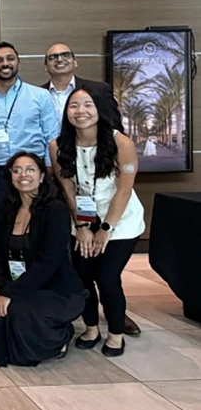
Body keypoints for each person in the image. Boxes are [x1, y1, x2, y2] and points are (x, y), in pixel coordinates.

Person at [51, 89, 146, 357]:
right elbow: (68, 188)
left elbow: (124, 190)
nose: (80, 111)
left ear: (99, 109)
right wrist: (82, 226)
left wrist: (106, 229)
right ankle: (91, 328)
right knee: (82, 275)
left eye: (88, 105)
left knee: (106, 276)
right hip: (83, 219)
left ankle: (116, 333)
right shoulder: (57, 146)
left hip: (120, 220)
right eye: (73, 106)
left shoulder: (121, 143)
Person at [0, 152, 86, 368]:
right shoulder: (6, 210)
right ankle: (9, 347)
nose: (23, 175)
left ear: (41, 176)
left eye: (30, 170)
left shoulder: (55, 210)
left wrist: (10, 293)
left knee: (18, 308)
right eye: (17, 170)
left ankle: (59, 338)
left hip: (56, 288)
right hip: (20, 282)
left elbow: (48, 263)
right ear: (10, 176)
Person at [0, 41, 60, 243]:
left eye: (10, 58)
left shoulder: (40, 96)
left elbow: (51, 137)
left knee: (37, 229)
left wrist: (49, 173)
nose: (5, 63)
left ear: (18, 62)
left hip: (33, 170)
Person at [41, 43, 124, 133]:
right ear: (45, 66)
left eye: (66, 55)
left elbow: (114, 126)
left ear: (75, 62)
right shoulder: (36, 95)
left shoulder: (99, 90)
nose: (60, 59)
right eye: (53, 57)